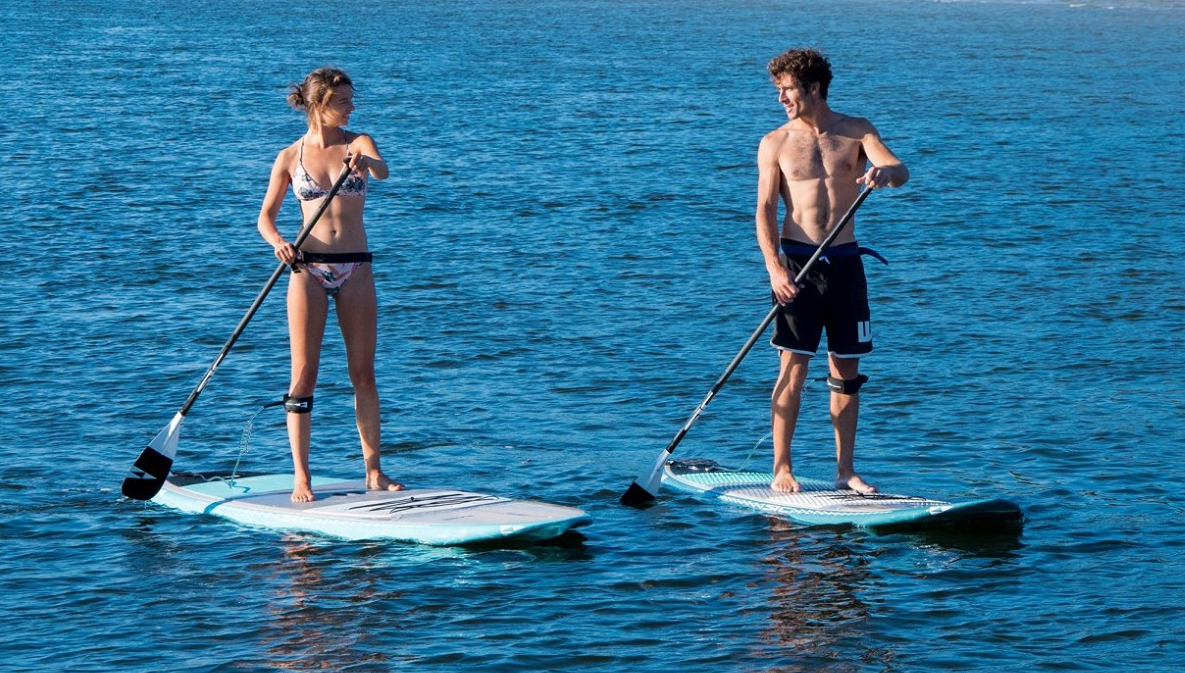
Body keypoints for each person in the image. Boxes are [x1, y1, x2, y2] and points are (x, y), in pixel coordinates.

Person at [755, 48, 909, 494]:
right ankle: (782, 467)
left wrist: (884, 174)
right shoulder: (775, 143)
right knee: (794, 367)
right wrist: (773, 268)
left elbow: (900, 169)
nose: (781, 98)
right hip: (797, 265)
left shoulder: (856, 131)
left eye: (787, 89)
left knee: (846, 372)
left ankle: (846, 470)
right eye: (779, 90)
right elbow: (765, 209)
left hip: (844, 264)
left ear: (814, 88)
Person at [257, 67, 402, 502]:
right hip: (307, 270)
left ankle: (373, 471)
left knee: (363, 373)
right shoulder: (288, 156)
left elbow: (383, 172)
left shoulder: (358, 142)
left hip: (355, 267)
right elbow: (264, 218)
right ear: (319, 105)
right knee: (304, 375)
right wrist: (279, 242)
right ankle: (302, 477)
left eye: (352, 99)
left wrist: (367, 162)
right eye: (343, 101)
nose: (352, 107)